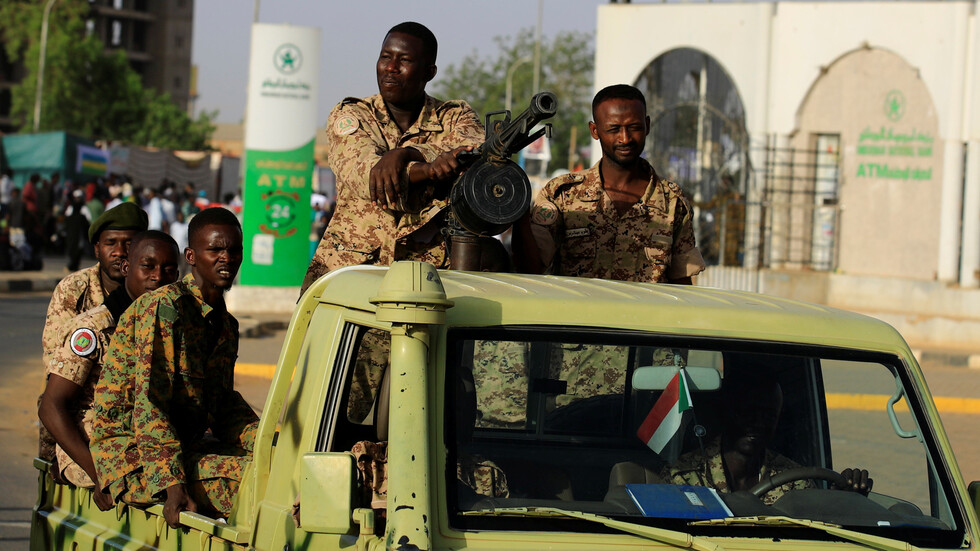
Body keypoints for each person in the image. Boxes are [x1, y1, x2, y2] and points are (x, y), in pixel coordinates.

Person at [90, 207, 258, 528]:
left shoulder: (225, 324)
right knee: (253, 483)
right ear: (191, 257)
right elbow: (150, 405)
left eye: (233, 250)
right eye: (215, 250)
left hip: (184, 446)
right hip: (133, 455)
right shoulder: (165, 307)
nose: (226, 258)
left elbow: (223, 406)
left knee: (277, 467)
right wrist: (172, 486)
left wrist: (267, 442)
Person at [300, 21, 484, 295]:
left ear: (429, 72)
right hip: (350, 276)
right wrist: (431, 170)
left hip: (426, 284)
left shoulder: (455, 116)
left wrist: (409, 153)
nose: (391, 67)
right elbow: (364, 174)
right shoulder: (353, 115)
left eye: (404, 60)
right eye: (385, 57)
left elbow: (474, 149)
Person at [38, 231, 180, 511]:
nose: (158, 277)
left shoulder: (170, 324)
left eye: (168, 270)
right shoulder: (93, 329)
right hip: (92, 447)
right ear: (127, 268)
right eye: (148, 266)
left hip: (145, 442)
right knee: (154, 482)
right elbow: (51, 406)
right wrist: (98, 473)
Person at [513, 84, 706, 284]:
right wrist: (518, 211)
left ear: (647, 125)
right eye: (614, 129)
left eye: (634, 127)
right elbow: (530, 268)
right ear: (595, 130)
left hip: (645, 316)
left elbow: (681, 287)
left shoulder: (672, 202)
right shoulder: (563, 194)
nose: (625, 138)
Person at [40, 202, 148, 464]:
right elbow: (57, 369)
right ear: (97, 249)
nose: (120, 252)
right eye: (111, 243)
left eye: (130, 243)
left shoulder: (154, 288)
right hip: (83, 417)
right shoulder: (74, 290)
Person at [660, 375, 872, 506]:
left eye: (768, 415)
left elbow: (818, 530)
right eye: (748, 413)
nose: (757, 423)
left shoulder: (795, 481)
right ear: (729, 412)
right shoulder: (684, 476)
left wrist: (845, 500)